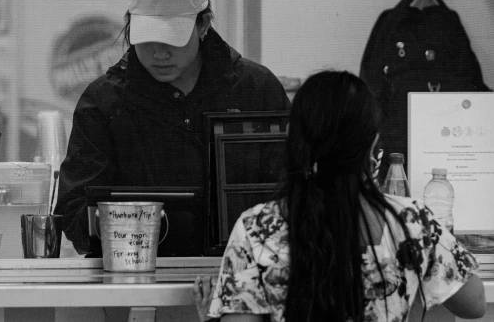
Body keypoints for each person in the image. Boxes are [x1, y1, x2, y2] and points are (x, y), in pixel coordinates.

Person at [193, 70, 485, 322]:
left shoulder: (256, 227)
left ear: (295, 138)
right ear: (372, 143)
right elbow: (474, 305)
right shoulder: (411, 221)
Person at [54, 0, 291, 255]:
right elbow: (74, 212)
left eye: (172, 38)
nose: (159, 52)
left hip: (237, 277)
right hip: (133, 282)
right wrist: (120, 222)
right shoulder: (104, 104)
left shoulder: (255, 91)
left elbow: (293, 193)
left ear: (203, 23)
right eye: (148, 37)